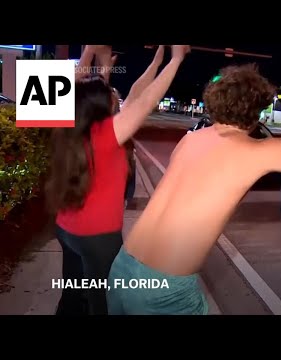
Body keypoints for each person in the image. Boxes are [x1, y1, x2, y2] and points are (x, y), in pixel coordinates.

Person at [106, 64, 281, 315]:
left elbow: (227, 162)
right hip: (163, 291)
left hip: (123, 267)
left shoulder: (191, 140)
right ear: (256, 109)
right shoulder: (258, 152)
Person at [46, 44, 190, 315]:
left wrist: (156, 61)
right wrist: (176, 61)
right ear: (103, 105)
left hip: (67, 227)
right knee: (105, 303)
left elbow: (125, 92)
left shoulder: (68, 126)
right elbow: (145, 100)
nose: (119, 95)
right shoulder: (108, 134)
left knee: (74, 296)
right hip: (97, 237)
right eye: (112, 93)